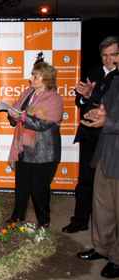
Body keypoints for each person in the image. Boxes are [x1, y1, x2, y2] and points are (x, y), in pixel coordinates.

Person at [62, 36, 119, 233]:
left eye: (113, 54)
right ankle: (79, 220)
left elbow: (109, 105)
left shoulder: (117, 76)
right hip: (88, 134)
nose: (108, 59)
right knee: (85, 181)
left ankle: (104, 229)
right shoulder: (93, 72)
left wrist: (91, 96)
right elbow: (79, 101)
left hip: (110, 139)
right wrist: (84, 97)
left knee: (107, 187)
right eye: (104, 55)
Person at [6, 62, 63, 228]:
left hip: (44, 152)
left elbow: (42, 125)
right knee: (21, 186)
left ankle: (44, 221)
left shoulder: (54, 99)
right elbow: (15, 115)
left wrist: (22, 117)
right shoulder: (27, 93)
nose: (31, 78)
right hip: (24, 147)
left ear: (45, 79)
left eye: (35, 76)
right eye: (32, 74)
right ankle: (17, 216)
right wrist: (12, 115)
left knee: (39, 189)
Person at [77, 54, 119, 279]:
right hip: (105, 152)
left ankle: (117, 258)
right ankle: (102, 248)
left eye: (117, 55)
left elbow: (111, 119)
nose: (113, 60)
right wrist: (93, 103)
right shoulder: (115, 80)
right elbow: (105, 106)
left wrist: (108, 121)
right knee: (102, 207)